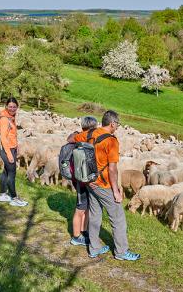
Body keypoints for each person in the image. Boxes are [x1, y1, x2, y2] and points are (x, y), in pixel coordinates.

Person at [68, 110, 140, 261]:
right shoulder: (111, 141)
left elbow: (71, 139)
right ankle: (121, 252)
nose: (118, 126)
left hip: (89, 181)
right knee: (118, 218)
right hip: (104, 184)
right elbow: (112, 169)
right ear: (112, 124)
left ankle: (93, 249)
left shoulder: (90, 132)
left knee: (95, 214)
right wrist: (116, 191)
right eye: (118, 124)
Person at [70, 116, 98, 246]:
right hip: (82, 178)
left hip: (82, 177)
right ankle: (76, 237)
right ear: (93, 126)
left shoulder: (78, 136)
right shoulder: (89, 137)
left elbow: (69, 139)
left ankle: (83, 231)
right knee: (80, 208)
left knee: (86, 207)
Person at [0, 97, 28, 207]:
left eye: (14, 107)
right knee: (12, 173)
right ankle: (14, 198)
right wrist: (9, 154)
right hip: (7, 150)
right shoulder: (5, 119)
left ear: (17, 107)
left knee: (6, 171)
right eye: (10, 106)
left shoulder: (11, 117)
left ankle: (2, 194)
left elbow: (12, 135)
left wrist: (16, 146)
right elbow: (3, 138)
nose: (12, 108)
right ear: (6, 106)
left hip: (11, 148)